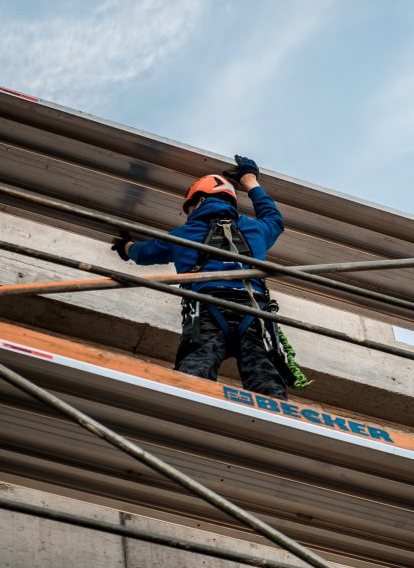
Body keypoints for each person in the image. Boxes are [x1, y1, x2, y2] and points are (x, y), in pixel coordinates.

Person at [112, 155, 290, 399]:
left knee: (197, 367)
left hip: (207, 310)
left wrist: (127, 247)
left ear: (201, 200)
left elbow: (145, 253)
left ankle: (186, 406)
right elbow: (274, 219)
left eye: (190, 208)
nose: (188, 214)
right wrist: (250, 180)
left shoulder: (183, 234)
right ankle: (276, 420)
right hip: (255, 311)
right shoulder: (256, 229)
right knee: (264, 376)